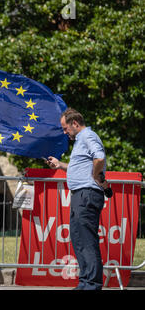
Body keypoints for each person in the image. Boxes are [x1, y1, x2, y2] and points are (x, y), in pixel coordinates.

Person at [46, 107, 108, 290]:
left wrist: (96, 176)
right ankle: (86, 282)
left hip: (86, 194)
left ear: (75, 123)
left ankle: (91, 284)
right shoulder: (82, 140)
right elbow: (82, 165)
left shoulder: (87, 136)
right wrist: (59, 165)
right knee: (80, 240)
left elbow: (99, 157)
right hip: (81, 195)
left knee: (86, 241)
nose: (65, 133)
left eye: (66, 129)